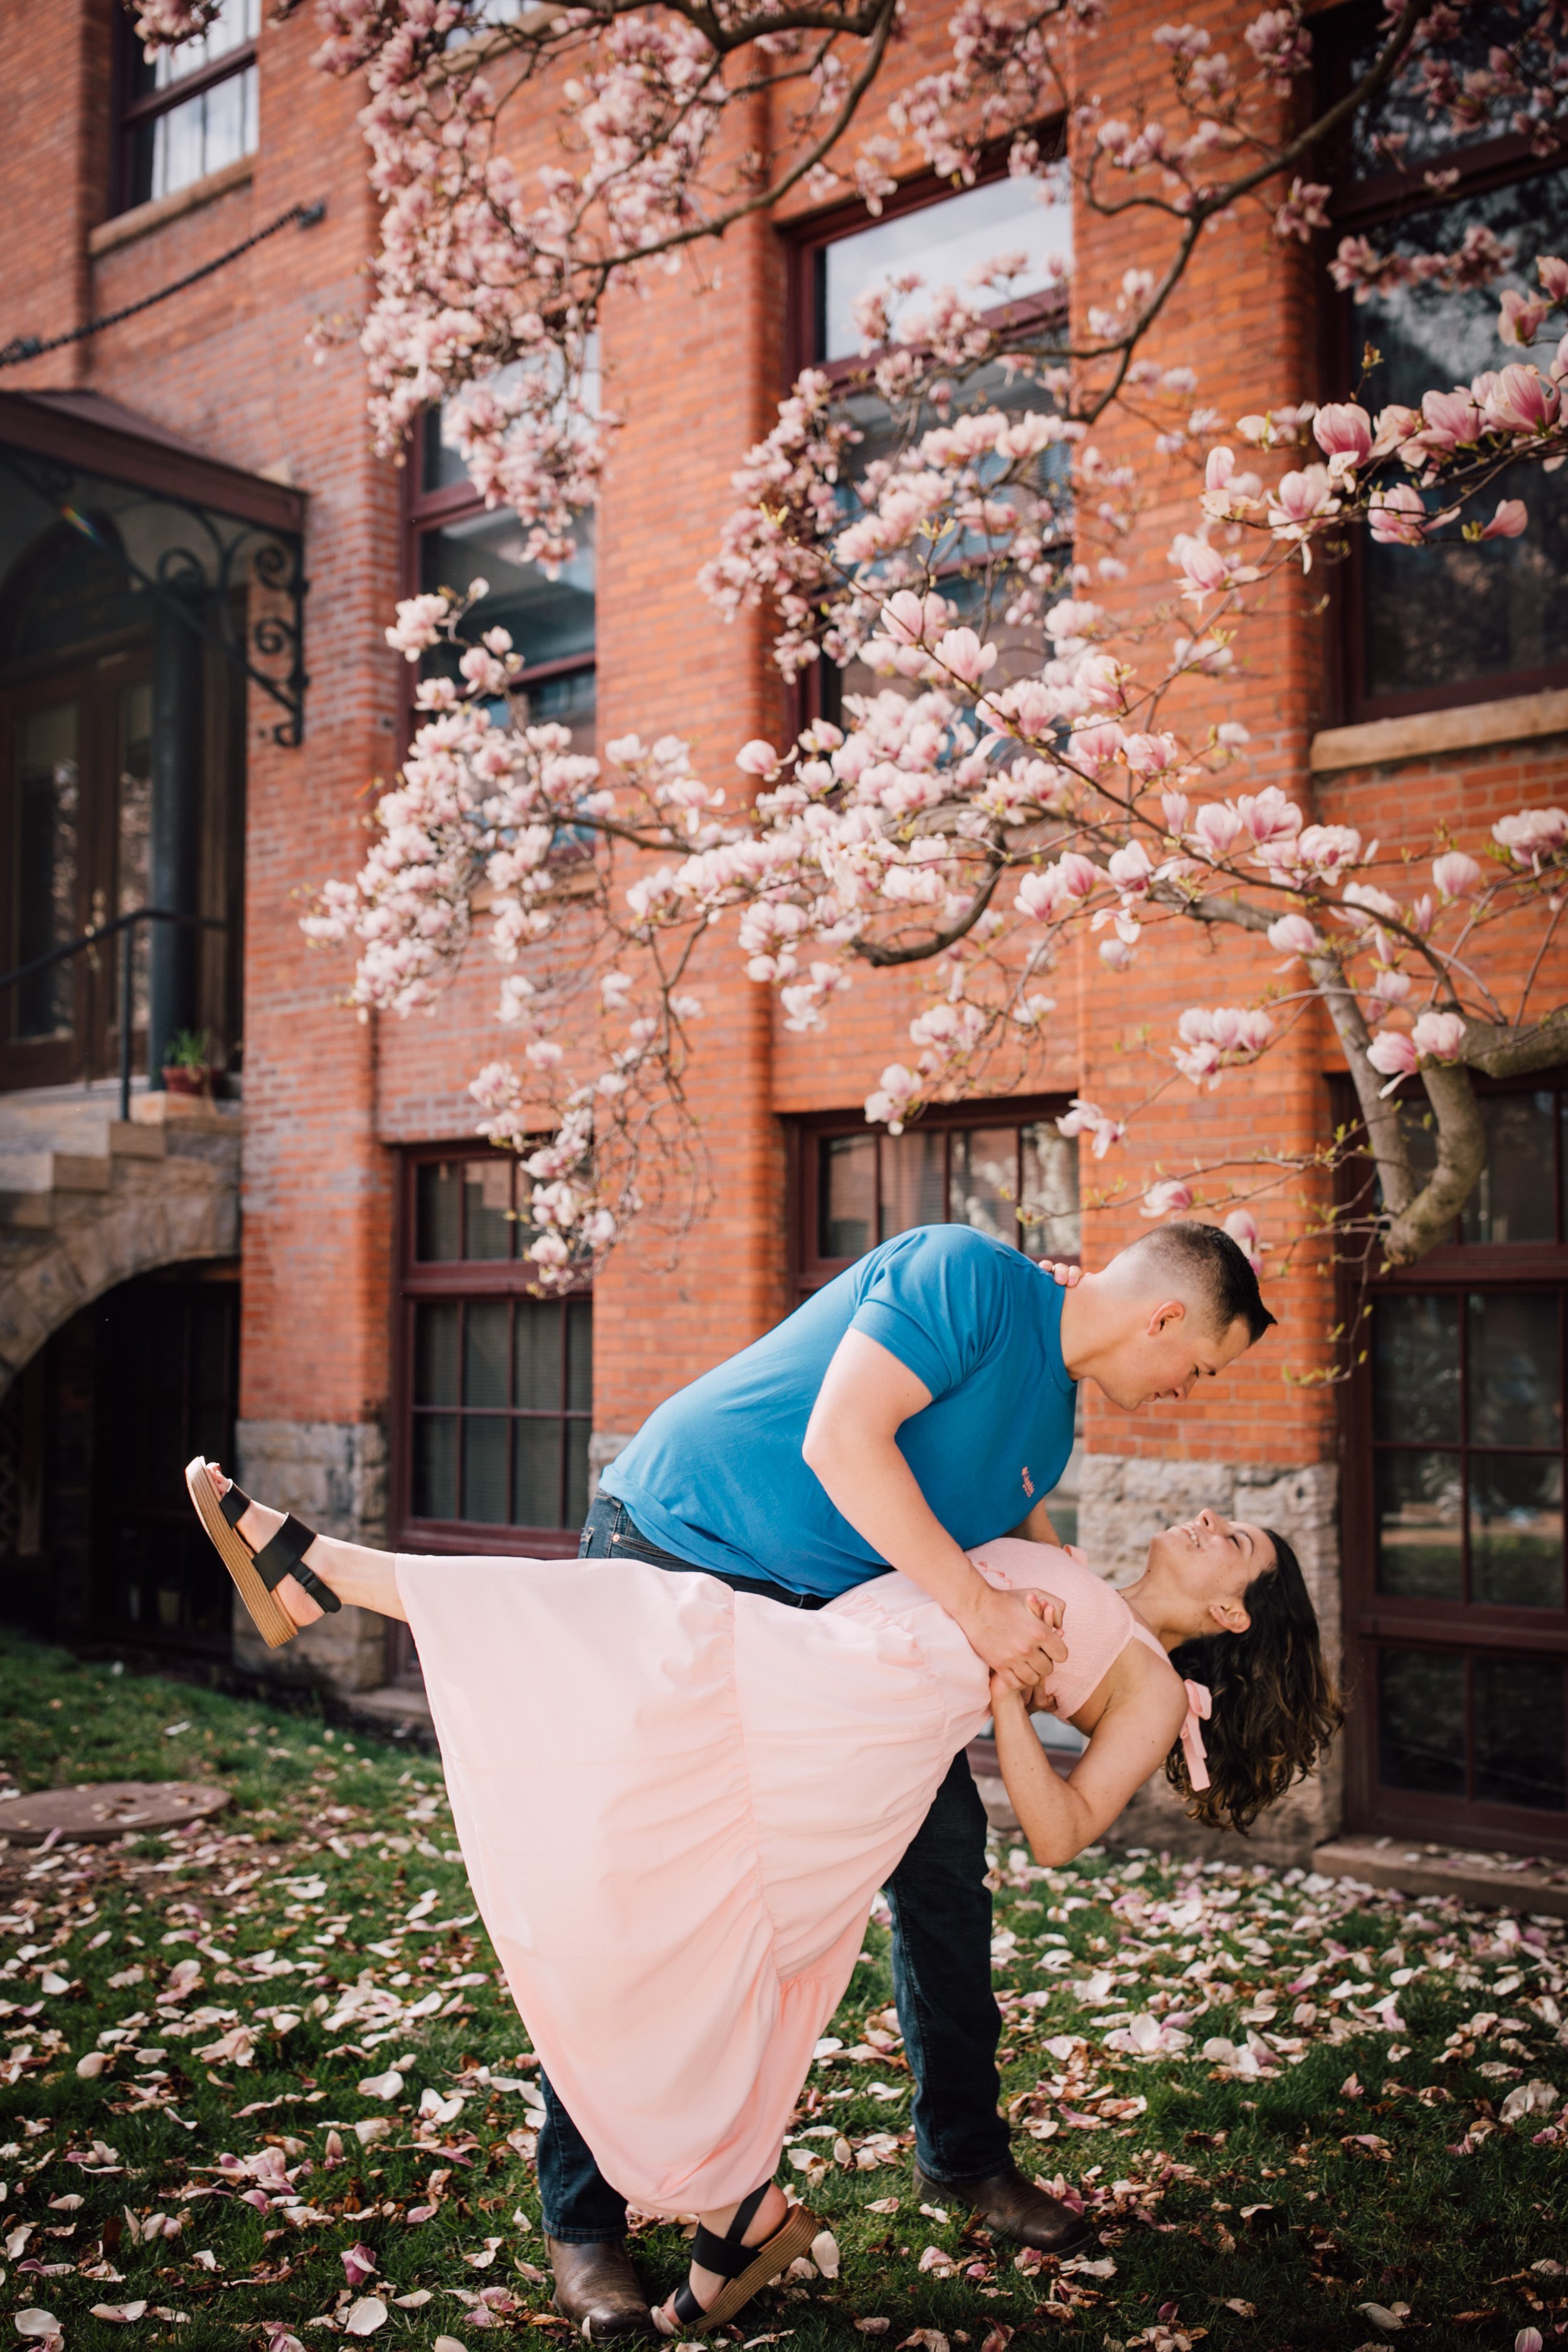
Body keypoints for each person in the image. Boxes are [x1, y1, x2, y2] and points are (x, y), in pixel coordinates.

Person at [184, 1214, 1278, 2324]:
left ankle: (955, 2156)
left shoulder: (1057, 1419)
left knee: (935, 1881)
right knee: (638, 1893)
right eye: (1200, 1363)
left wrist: (1035, 1628)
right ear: (1166, 1315)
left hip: (818, 1639)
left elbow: (995, 1537)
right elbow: (842, 1444)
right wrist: (986, 1614)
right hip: (679, 1543)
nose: (1191, 1385)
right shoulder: (965, 1277)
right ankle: (587, 2223)